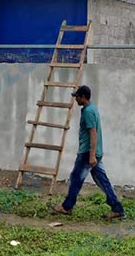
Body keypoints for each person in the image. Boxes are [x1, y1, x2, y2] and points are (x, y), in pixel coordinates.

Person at [51, 85, 126, 220]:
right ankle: (117, 208)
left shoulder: (88, 112)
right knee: (103, 181)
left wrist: (91, 155)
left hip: (87, 152)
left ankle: (66, 207)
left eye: (77, 97)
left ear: (83, 97)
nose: (76, 99)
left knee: (76, 178)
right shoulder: (91, 109)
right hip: (95, 152)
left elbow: (93, 133)